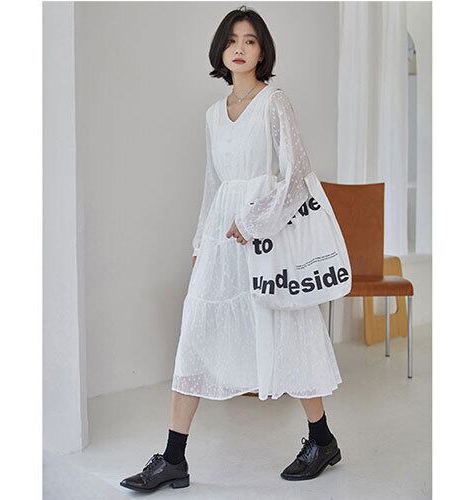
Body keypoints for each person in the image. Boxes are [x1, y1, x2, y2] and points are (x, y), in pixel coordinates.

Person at [120, 5, 342, 493]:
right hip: (223, 236)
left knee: (287, 327)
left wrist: (254, 220)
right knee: (196, 330)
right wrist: (201, 242)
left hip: (268, 234)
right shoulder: (212, 115)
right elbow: (213, 184)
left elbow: (298, 176)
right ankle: (173, 457)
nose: (239, 49)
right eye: (232, 40)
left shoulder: (274, 103)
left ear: (262, 52)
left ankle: (321, 439)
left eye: (250, 41)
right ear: (221, 50)